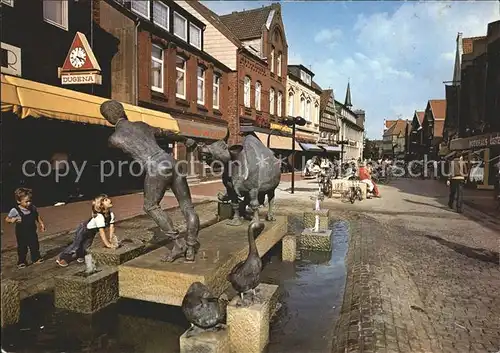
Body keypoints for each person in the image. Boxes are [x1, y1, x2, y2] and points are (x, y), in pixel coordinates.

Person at [100, 100, 199, 262]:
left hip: (155, 167)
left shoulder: (114, 139)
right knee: (187, 205)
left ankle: (178, 243)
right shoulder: (141, 125)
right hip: (171, 160)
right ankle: (191, 246)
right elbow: (165, 133)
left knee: (150, 206)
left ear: (107, 118)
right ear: (123, 111)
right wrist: (184, 139)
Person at [56, 194, 117, 267]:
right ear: (101, 205)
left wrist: (110, 239)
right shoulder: (99, 217)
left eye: (108, 198)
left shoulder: (111, 214)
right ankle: (62, 257)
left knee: (86, 246)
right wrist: (107, 244)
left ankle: (79, 255)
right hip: (84, 229)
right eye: (106, 200)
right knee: (76, 245)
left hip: (92, 232)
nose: (110, 200)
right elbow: (102, 232)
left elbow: (111, 227)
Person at [5, 188, 46, 269]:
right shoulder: (15, 210)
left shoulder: (32, 208)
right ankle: (22, 261)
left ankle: (36, 258)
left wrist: (41, 223)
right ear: (18, 201)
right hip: (21, 232)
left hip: (32, 231)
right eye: (26, 201)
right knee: (22, 247)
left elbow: (37, 216)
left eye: (30, 201)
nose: (29, 203)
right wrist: (13, 220)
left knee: (34, 245)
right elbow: (7, 219)